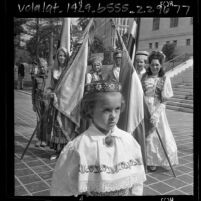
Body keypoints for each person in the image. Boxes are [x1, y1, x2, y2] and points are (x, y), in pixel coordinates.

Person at [50, 80, 146, 196]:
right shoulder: (78, 147)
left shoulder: (128, 141)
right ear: (90, 110)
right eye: (107, 110)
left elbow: (137, 180)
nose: (113, 116)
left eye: (117, 109)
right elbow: (63, 187)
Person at [141, 50, 178, 172]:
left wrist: (156, 113)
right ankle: (144, 159)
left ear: (161, 65)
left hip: (157, 111)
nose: (154, 67)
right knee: (145, 135)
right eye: (152, 64)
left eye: (157, 64)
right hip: (144, 110)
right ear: (149, 65)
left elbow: (165, 100)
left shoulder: (164, 79)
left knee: (157, 136)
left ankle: (154, 161)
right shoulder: (144, 77)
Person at [45, 47, 75, 160]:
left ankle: (67, 151)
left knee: (67, 127)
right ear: (57, 57)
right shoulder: (53, 70)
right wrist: (50, 93)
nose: (61, 57)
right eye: (60, 55)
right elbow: (49, 86)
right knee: (57, 126)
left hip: (68, 103)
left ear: (67, 57)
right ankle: (58, 151)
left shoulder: (71, 70)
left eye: (63, 55)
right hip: (57, 104)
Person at [31, 58, 48, 147]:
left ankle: (44, 139)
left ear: (47, 67)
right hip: (38, 101)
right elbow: (33, 91)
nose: (42, 69)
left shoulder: (50, 77)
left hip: (47, 101)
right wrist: (33, 103)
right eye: (41, 67)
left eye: (44, 67)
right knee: (39, 121)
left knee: (45, 121)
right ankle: (39, 138)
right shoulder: (36, 77)